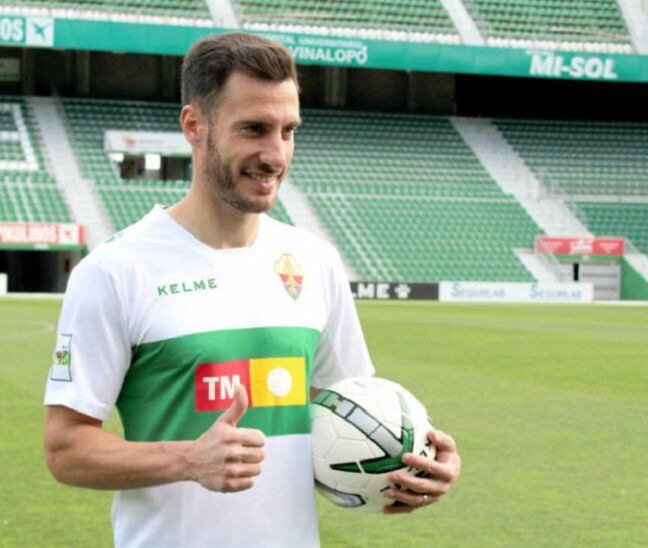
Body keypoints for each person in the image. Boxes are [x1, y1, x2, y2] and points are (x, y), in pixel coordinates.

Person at [43, 32, 461, 547]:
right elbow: (65, 450)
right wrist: (189, 460)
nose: (275, 154)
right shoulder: (114, 271)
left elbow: (354, 413)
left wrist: (415, 463)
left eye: (288, 131)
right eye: (255, 129)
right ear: (195, 126)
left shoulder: (315, 261)